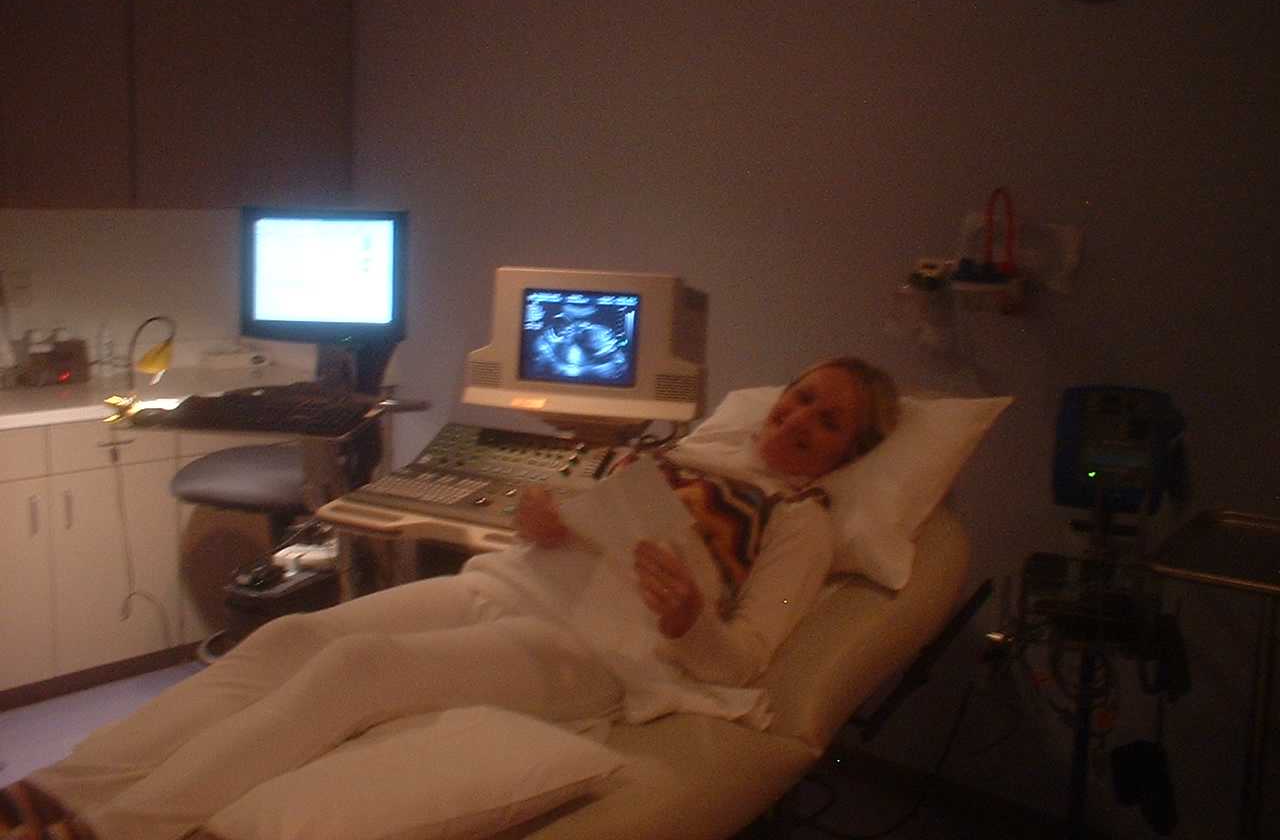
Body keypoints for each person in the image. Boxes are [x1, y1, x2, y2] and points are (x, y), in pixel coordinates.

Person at [1, 356, 898, 840]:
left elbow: (745, 662)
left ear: (847, 455)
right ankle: (57, 792)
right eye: (801, 399)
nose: (799, 421)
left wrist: (690, 621)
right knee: (285, 641)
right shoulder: (675, 453)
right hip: (505, 585)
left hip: (597, 651)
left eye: (828, 422)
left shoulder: (800, 519)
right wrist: (541, 520)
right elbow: (567, 527)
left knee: (356, 669)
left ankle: (118, 830)